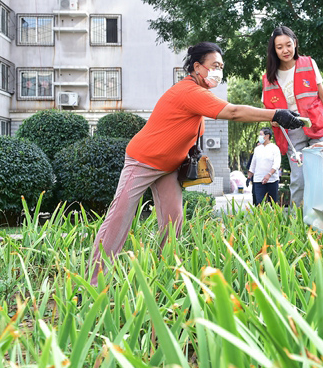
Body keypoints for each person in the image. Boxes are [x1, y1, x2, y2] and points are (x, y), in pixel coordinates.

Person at [89, 41, 306, 285]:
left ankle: (166, 276)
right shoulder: (189, 91)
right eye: (214, 65)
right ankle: (95, 283)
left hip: (169, 167)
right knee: (120, 217)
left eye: (221, 66)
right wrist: (275, 113)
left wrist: (280, 118)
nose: (218, 71)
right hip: (143, 160)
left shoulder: (201, 93)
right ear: (196, 67)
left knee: (173, 221)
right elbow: (233, 112)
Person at [262, 26, 323, 207]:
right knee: (299, 179)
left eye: (288, 45)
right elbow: (268, 111)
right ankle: (298, 223)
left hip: (317, 126)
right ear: (274, 49)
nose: (285, 50)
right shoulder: (269, 77)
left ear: (295, 43)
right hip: (292, 132)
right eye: (279, 47)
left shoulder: (309, 63)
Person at [248, 127, 281, 205]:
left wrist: (269, 174)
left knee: (272, 203)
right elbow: (253, 163)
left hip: (272, 180)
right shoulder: (257, 149)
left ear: (267, 136)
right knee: (259, 203)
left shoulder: (274, 148)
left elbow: (277, 164)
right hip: (258, 180)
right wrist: (249, 175)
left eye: (261, 135)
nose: (259, 137)